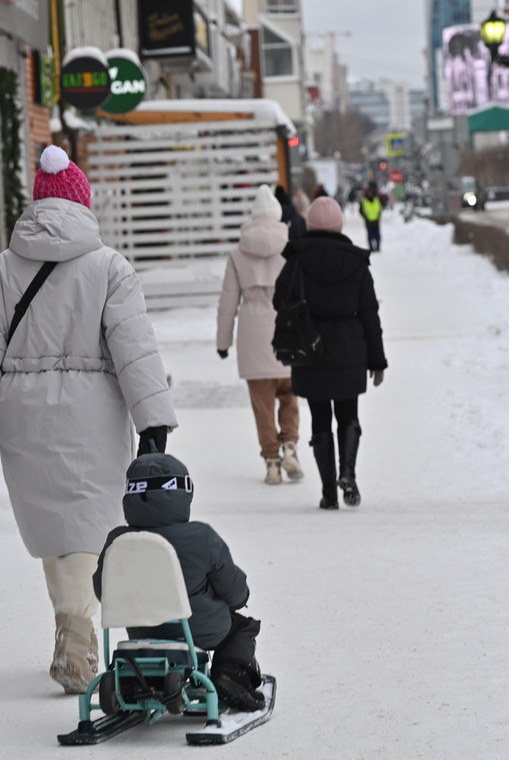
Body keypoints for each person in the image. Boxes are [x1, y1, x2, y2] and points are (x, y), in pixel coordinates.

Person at [0, 145, 178, 694]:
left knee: (54, 527)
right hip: (95, 416)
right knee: (86, 526)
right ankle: (76, 635)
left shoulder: (2, 271)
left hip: (24, 416)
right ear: (83, 205)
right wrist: (152, 422)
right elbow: (134, 350)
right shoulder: (110, 268)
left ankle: (71, 630)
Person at [94, 451, 265, 712]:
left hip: (142, 630)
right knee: (241, 628)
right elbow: (233, 589)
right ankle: (231, 676)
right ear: (182, 494)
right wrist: (240, 598)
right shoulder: (201, 537)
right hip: (196, 629)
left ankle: (140, 682)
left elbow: (102, 590)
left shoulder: (118, 541)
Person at [274, 196, 387, 510]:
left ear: (310, 224)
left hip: (310, 350)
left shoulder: (296, 260)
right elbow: (369, 314)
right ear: (339, 224)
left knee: (320, 418)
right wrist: (377, 361)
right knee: (348, 415)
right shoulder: (356, 262)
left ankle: (328, 493)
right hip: (350, 350)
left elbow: (279, 301)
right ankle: (347, 472)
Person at [217, 185, 303, 486]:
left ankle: (271, 464)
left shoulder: (238, 253)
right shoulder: (292, 247)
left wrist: (223, 343)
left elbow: (228, 302)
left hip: (253, 335)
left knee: (263, 406)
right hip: (287, 333)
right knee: (290, 398)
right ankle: (290, 446)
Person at [359, 180, 386, 252]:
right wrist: (365, 216)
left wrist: (378, 214)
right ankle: (371, 248)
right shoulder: (364, 200)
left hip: (376, 220)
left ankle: (377, 247)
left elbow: (380, 206)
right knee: (370, 235)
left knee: (377, 235)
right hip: (368, 221)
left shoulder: (377, 198)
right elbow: (361, 210)